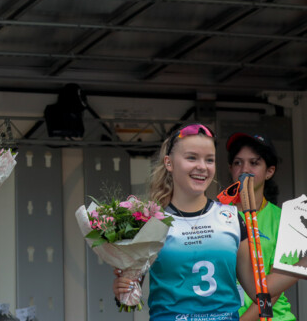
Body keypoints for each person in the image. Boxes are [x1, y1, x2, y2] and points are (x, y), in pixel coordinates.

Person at [113, 123, 302, 321]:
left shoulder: (231, 218)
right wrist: (122, 289)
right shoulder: (151, 222)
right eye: (191, 157)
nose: (202, 166)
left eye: (209, 160)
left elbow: (259, 292)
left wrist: (303, 264)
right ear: (169, 163)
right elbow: (129, 298)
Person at [226, 132, 295, 321]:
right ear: (230, 168)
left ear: (269, 171)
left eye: (254, 163)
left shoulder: (284, 220)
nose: (244, 169)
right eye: (238, 163)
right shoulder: (216, 215)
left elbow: (274, 290)